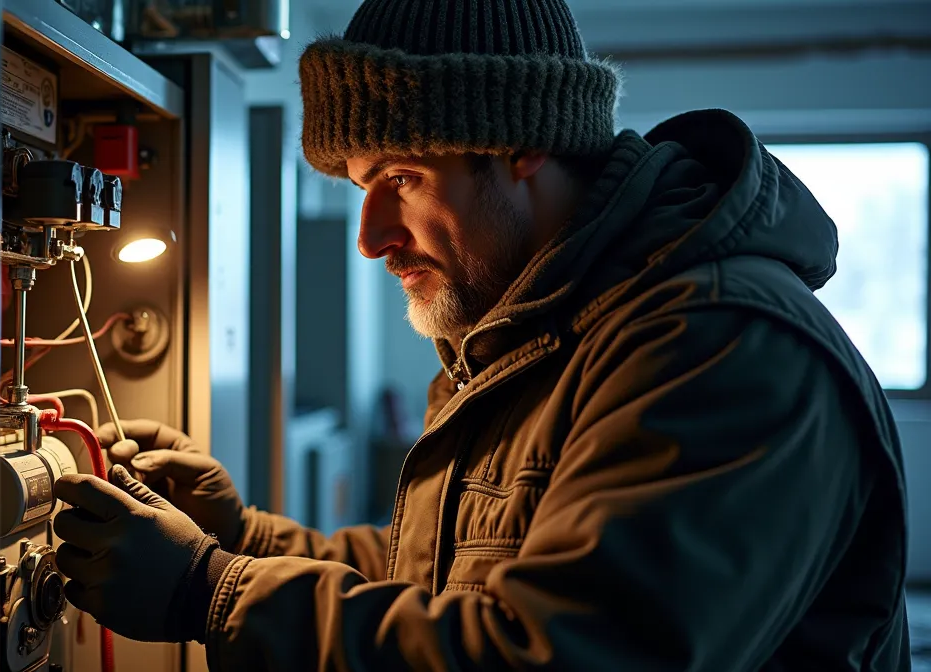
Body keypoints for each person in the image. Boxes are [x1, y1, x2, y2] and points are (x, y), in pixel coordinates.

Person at [49, 0, 912, 668]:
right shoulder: (525, 330)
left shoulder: (721, 346)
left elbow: (561, 653)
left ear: (519, 145)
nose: (370, 234)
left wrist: (212, 592)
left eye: (401, 176)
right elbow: (451, 571)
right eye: (360, 184)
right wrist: (239, 535)